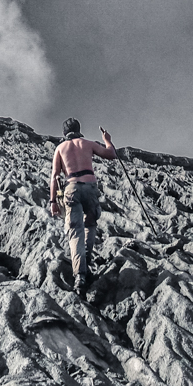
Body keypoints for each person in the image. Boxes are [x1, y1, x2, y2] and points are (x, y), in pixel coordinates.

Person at [49, 117, 117, 296]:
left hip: (71, 188)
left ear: (64, 133)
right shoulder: (87, 143)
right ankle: (86, 261)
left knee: (75, 232)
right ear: (79, 129)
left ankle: (80, 276)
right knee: (90, 225)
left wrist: (53, 202)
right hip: (90, 187)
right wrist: (107, 140)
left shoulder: (60, 148)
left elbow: (55, 175)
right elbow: (111, 154)